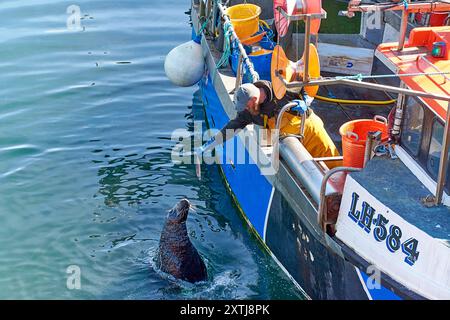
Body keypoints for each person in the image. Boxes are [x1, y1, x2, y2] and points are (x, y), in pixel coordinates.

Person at [196, 80, 340, 167]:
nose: (245, 111)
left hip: (310, 130)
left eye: (246, 107)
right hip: (289, 140)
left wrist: (305, 102)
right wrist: (210, 144)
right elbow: (233, 126)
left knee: (331, 163)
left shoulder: (281, 90)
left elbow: (306, 86)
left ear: (253, 100)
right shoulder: (250, 110)